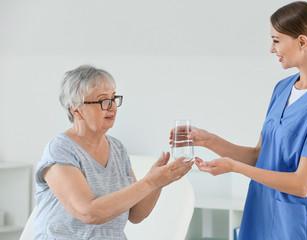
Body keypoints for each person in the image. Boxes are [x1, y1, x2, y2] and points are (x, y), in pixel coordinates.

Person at [170, 1, 307, 239]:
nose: (271, 48)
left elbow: (302, 184)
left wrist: (234, 168)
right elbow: (260, 157)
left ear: (302, 41)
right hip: (261, 220)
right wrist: (208, 140)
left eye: (276, 40)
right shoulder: (282, 88)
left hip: (299, 229)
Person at [34, 65, 194, 239]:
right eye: (103, 101)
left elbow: (136, 214)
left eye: (113, 98)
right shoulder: (60, 150)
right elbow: (89, 213)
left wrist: (158, 182)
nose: (112, 107)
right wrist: (150, 182)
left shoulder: (117, 149)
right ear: (76, 109)